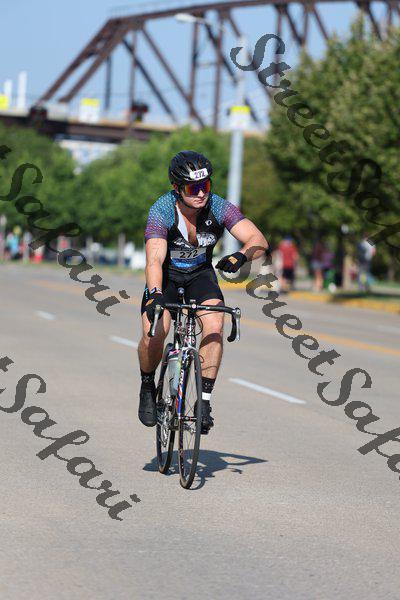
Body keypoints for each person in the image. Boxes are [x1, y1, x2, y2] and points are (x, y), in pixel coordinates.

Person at [138, 151, 269, 431]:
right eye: (192, 188)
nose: (201, 194)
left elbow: (257, 239)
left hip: (200, 275)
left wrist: (242, 255)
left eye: (205, 186)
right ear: (177, 188)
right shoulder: (162, 209)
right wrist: (155, 293)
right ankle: (147, 385)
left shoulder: (218, 207)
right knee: (155, 331)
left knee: (215, 323)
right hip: (167, 276)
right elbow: (154, 260)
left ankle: (204, 402)